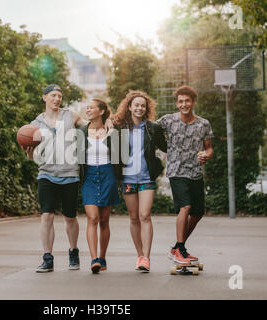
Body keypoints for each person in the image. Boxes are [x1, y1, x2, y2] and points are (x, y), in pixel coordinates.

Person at [23, 84, 112, 273]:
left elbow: (92, 125)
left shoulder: (71, 116)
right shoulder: (35, 124)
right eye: (53, 95)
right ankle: (47, 257)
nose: (57, 99)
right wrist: (29, 152)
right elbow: (32, 157)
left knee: (70, 217)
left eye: (59, 96)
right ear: (44, 97)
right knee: (46, 215)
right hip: (46, 173)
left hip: (70, 174)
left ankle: (73, 251)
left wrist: (109, 122)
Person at [155, 85, 214, 265]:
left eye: (187, 101)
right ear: (177, 103)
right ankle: (180, 249)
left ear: (193, 102)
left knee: (197, 213)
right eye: (180, 101)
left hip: (195, 172)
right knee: (185, 207)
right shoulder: (168, 120)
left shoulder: (203, 123)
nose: (184, 104)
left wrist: (206, 155)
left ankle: (176, 248)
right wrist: (162, 149)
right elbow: (149, 128)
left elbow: (209, 148)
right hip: (176, 171)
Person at [114, 90, 167, 272]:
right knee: (134, 217)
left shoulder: (152, 128)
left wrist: (160, 164)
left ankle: (147, 257)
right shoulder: (120, 128)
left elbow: (166, 147)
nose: (139, 108)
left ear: (146, 108)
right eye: (136, 105)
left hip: (146, 177)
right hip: (127, 178)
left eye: (142, 105)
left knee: (145, 215)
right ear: (129, 107)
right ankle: (139, 255)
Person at [78, 99, 122, 274]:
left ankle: (102, 257)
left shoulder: (113, 131)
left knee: (104, 220)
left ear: (101, 111)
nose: (88, 110)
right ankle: (94, 258)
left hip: (108, 174)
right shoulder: (81, 131)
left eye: (91, 107)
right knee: (93, 218)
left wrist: (112, 132)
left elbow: (121, 155)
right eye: (86, 108)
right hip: (88, 176)